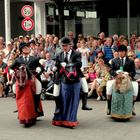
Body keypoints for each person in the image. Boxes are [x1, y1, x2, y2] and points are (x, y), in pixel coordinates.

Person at [10, 42, 44, 127]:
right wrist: (12, 71)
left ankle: (36, 108)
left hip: (33, 78)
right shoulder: (18, 59)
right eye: (25, 48)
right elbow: (11, 67)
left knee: (38, 90)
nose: (27, 49)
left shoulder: (34, 58)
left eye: (28, 47)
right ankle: (23, 114)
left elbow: (41, 66)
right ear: (21, 50)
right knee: (15, 89)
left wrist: (39, 68)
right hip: (22, 80)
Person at [52, 37, 82, 128]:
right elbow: (57, 64)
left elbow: (79, 64)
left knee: (80, 93)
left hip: (75, 78)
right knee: (56, 94)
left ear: (70, 45)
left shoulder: (77, 53)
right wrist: (55, 67)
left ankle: (84, 105)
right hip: (62, 78)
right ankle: (59, 113)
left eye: (66, 45)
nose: (64, 47)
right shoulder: (59, 54)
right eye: (63, 46)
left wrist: (69, 65)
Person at [107, 45, 136, 115]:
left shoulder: (131, 61)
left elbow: (133, 72)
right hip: (116, 78)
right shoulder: (114, 60)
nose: (120, 53)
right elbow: (111, 70)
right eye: (119, 51)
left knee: (136, 89)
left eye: (122, 52)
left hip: (127, 79)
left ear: (125, 52)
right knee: (109, 89)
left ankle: (132, 107)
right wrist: (116, 74)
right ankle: (109, 107)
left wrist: (128, 74)